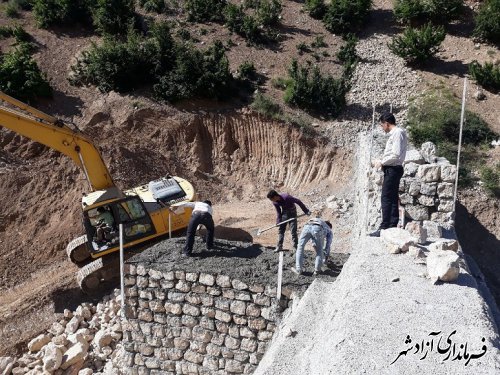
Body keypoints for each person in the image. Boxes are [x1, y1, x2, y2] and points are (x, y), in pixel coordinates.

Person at [370, 112, 408, 237]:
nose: (382, 128)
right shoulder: (398, 133)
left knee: (386, 197)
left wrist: (381, 162)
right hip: (393, 169)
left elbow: (395, 154)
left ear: (386, 123)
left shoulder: (397, 133)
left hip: (393, 169)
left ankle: (385, 226)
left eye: (382, 125)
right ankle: (391, 225)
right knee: (392, 197)